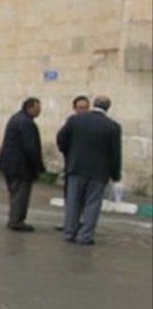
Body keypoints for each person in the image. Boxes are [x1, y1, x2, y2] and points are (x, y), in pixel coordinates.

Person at [56, 95, 122, 245]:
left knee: (73, 202)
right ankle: (85, 236)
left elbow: (61, 139)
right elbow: (115, 154)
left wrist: (69, 154)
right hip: (99, 172)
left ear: (93, 104)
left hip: (76, 168)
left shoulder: (75, 120)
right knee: (92, 204)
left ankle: (69, 232)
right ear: (108, 107)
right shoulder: (112, 126)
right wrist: (115, 174)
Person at [0, 97, 46, 232]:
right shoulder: (26, 123)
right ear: (29, 108)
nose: (39, 112)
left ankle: (14, 219)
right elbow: (31, 147)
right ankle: (17, 221)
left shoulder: (16, 118)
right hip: (21, 166)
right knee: (21, 194)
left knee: (14, 193)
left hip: (9, 165)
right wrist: (39, 167)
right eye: (37, 109)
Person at [54, 95, 91, 231]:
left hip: (89, 167)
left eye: (86, 108)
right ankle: (70, 223)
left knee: (86, 197)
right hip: (73, 166)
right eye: (80, 108)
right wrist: (68, 153)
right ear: (74, 108)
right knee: (71, 196)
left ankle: (81, 222)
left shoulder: (93, 123)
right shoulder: (71, 122)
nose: (83, 111)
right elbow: (61, 139)